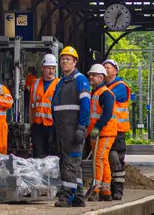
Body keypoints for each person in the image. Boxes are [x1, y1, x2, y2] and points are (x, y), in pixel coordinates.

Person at [53, 46, 92, 207]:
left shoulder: (80, 80)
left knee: (70, 163)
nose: (65, 62)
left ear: (75, 62)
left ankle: (66, 196)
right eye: (62, 59)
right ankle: (78, 197)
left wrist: (82, 127)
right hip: (62, 129)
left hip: (73, 128)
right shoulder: (61, 82)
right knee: (71, 164)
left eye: (68, 59)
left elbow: (85, 106)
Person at [86, 61, 117, 201]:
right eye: (90, 75)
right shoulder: (96, 93)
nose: (91, 77)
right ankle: (106, 190)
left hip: (105, 132)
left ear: (102, 77)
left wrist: (98, 127)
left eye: (94, 75)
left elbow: (107, 113)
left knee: (98, 159)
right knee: (102, 160)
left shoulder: (105, 94)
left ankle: (96, 187)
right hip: (98, 133)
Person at [101, 60, 131, 200]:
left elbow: (107, 98)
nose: (106, 69)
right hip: (105, 129)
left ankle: (118, 190)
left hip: (117, 130)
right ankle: (106, 188)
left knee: (116, 159)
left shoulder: (120, 87)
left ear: (115, 71)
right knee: (104, 159)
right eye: (104, 67)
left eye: (109, 67)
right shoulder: (103, 88)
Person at [27, 53, 62, 159]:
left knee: (54, 155)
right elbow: (31, 105)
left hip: (53, 125)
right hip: (38, 125)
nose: (51, 71)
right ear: (42, 68)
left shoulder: (60, 84)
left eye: (53, 68)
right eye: (48, 68)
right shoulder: (35, 83)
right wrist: (31, 124)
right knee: (39, 155)